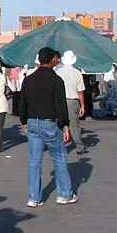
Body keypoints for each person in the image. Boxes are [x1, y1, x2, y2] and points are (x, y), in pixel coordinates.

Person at [19, 47, 77, 208]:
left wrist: (24, 121)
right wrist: (65, 125)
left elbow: (22, 102)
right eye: (56, 59)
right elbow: (60, 105)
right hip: (50, 122)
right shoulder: (56, 80)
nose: (57, 61)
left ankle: (34, 197)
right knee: (59, 159)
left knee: (34, 161)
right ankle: (64, 194)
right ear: (51, 59)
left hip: (32, 122)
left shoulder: (29, 79)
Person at [54, 51, 88, 155]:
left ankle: (59, 146)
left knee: (59, 123)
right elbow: (80, 90)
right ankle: (79, 146)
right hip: (73, 100)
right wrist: (82, 105)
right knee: (74, 124)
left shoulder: (58, 72)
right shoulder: (77, 73)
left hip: (59, 100)